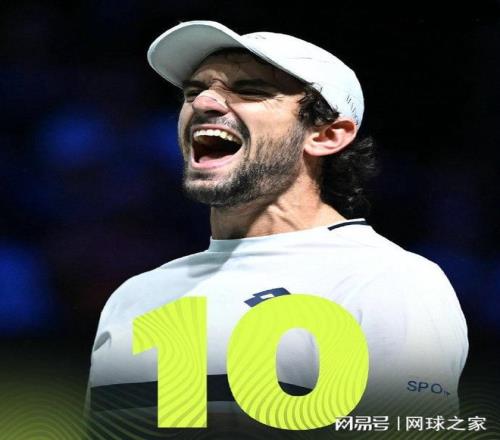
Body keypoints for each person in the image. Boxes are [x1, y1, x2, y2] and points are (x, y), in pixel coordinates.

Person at [86, 20, 468, 439]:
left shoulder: (387, 280)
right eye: (194, 91)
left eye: (250, 90)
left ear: (327, 134)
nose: (205, 102)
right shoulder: (135, 297)